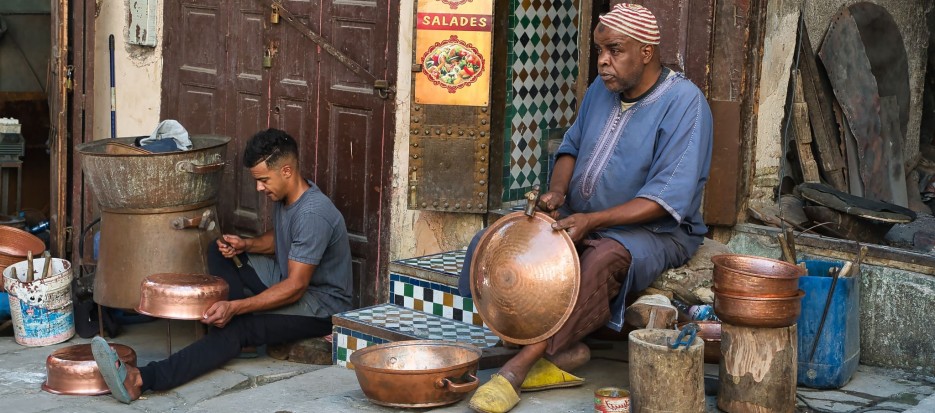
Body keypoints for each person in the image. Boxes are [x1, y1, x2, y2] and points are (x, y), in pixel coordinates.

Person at [464, 4, 713, 412]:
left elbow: (666, 199)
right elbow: (571, 148)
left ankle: (519, 367)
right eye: (600, 51)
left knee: (600, 259)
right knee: (497, 241)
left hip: (656, 232)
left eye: (614, 50)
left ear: (646, 51)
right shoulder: (603, 90)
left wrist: (593, 221)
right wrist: (558, 194)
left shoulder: (685, 103)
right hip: (584, 217)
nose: (603, 61)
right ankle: (549, 348)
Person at [91, 128, 354, 403]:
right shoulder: (289, 195)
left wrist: (236, 308)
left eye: (263, 180)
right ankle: (235, 336)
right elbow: (283, 238)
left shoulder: (314, 213)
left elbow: (295, 288)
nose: (259, 188)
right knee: (219, 253)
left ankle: (142, 379)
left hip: (321, 305)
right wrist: (245, 245)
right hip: (289, 278)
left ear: (286, 170)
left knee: (238, 327)